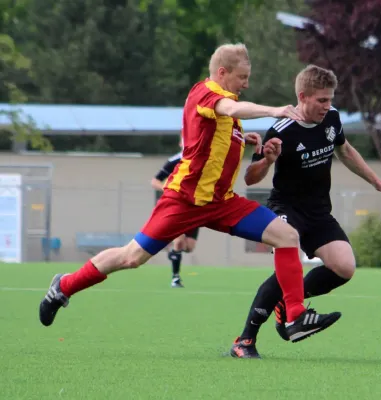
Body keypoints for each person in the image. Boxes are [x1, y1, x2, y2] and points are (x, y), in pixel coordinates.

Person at [38, 44, 342, 344]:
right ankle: (63, 287)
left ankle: (295, 316)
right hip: (184, 201)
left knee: (287, 236)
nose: (246, 84)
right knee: (131, 257)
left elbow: (220, 135)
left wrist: (247, 141)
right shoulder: (206, 93)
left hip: (222, 203)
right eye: (242, 77)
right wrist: (273, 110)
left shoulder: (228, 106)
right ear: (222, 73)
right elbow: (231, 109)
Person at [230, 65, 381, 359]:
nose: (328, 106)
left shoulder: (332, 119)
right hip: (287, 209)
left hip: (320, 212)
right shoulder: (281, 129)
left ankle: (288, 304)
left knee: (345, 267)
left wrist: (377, 182)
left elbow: (345, 151)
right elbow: (250, 178)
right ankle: (245, 340)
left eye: (330, 99)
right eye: (321, 100)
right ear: (302, 96)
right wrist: (267, 160)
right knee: (289, 261)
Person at [151, 145, 199, 288]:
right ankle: (175, 278)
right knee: (179, 242)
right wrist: (169, 189)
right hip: (178, 207)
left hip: (196, 208)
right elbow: (155, 181)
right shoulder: (177, 159)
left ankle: (173, 253)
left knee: (189, 247)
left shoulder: (201, 156)